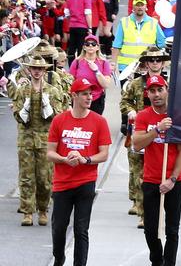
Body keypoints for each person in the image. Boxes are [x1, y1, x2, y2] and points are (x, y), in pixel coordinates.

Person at [47, 78, 111, 266]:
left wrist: (86, 160)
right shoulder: (60, 120)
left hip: (86, 181)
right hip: (62, 183)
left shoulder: (99, 121)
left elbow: (104, 154)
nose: (89, 97)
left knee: (81, 229)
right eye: (84, 94)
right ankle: (59, 258)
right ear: (73, 95)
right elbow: (50, 152)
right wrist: (64, 159)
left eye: (90, 94)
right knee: (59, 227)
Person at [133, 75, 181, 266]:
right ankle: (156, 259)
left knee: (172, 230)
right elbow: (137, 144)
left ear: (167, 90)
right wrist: (157, 129)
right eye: (152, 91)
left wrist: (171, 179)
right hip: (151, 180)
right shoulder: (143, 116)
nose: (156, 94)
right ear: (147, 94)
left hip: (174, 181)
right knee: (150, 229)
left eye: (160, 90)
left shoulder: (177, 116)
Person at [120, 46, 170, 228]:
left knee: (159, 174)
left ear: (163, 63)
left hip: (160, 135)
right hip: (141, 133)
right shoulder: (136, 84)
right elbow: (124, 101)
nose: (155, 63)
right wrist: (131, 111)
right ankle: (142, 212)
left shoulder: (168, 84)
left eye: (158, 60)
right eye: (151, 60)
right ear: (146, 63)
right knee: (138, 174)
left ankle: (158, 212)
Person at [12, 55, 66, 226]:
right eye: (34, 69)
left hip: (45, 140)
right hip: (26, 139)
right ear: (29, 70)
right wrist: (25, 107)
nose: (36, 72)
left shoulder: (53, 91)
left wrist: (47, 105)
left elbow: (58, 115)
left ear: (44, 70)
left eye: (40, 69)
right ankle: (27, 212)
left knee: (44, 177)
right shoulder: (22, 91)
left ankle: (42, 210)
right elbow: (17, 116)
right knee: (26, 177)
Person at [111, 0, 166, 74]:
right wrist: (113, 63)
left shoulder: (154, 23)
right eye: (137, 5)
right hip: (126, 66)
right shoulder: (124, 22)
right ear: (133, 7)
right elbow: (116, 45)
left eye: (142, 5)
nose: (140, 7)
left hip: (146, 66)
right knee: (126, 86)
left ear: (146, 6)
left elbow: (161, 44)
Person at [69, 34, 112, 115]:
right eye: (87, 44)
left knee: (93, 125)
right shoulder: (77, 62)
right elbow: (70, 82)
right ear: (84, 47)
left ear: (97, 47)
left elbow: (105, 85)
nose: (90, 46)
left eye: (93, 44)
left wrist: (96, 71)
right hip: (79, 100)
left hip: (96, 100)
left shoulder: (104, 63)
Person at [65, 0, 92, 65]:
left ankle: (71, 66)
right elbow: (87, 13)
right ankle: (81, 66)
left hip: (72, 25)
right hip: (82, 25)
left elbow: (67, 13)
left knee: (72, 48)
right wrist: (90, 28)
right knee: (81, 48)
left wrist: (71, 21)